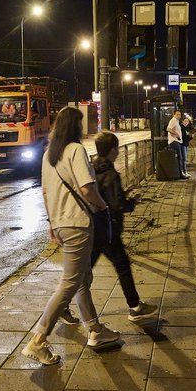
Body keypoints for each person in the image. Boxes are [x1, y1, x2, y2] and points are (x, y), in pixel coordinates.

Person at [22, 106, 120, 365]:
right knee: (70, 282)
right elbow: (87, 189)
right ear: (74, 127)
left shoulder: (48, 155)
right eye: (80, 123)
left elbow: (45, 192)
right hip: (78, 223)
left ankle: (95, 330)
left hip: (62, 224)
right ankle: (38, 340)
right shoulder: (76, 150)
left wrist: (52, 224)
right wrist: (103, 206)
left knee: (82, 278)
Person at [89, 132, 158, 322]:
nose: (118, 151)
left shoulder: (93, 169)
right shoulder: (110, 174)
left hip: (97, 227)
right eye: (117, 148)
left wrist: (122, 193)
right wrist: (132, 201)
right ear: (112, 150)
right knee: (123, 266)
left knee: (84, 270)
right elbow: (117, 205)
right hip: (109, 230)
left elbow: (104, 195)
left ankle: (63, 304)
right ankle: (135, 307)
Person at [166, 110, 189, 179]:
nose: (179, 116)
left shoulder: (177, 121)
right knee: (180, 158)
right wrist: (176, 134)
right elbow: (168, 129)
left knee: (180, 158)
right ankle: (181, 173)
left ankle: (180, 173)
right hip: (174, 141)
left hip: (178, 141)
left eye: (180, 115)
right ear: (174, 115)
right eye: (177, 114)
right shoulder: (173, 120)